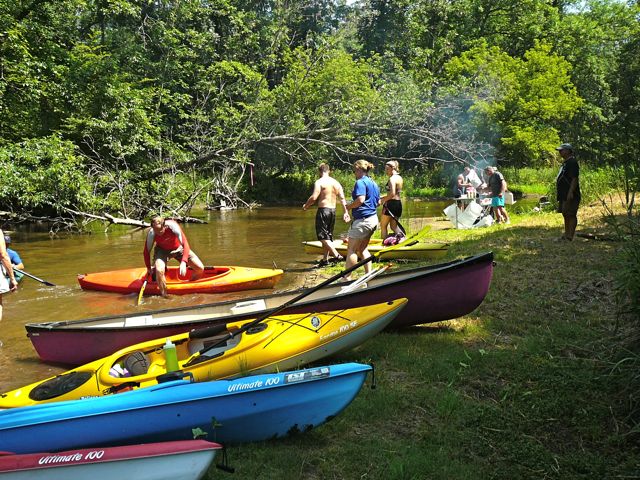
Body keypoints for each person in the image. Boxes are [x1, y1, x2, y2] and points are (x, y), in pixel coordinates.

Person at [143, 216, 205, 297]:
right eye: (156, 231)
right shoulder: (152, 233)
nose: (159, 233)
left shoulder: (173, 226)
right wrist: (148, 268)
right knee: (159, 270)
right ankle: (164, 295)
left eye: (160, 231)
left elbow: (185, 244)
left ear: (164, 226)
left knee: (200, 268)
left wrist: (183, 262)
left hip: (178, 248)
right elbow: (146, 252)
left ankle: (190, 286)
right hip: (162, 250)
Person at [302, 163, 350, 266]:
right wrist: (346, 212)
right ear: (329, 171)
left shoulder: (319, 182)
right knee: (328, 235)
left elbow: (314, 197)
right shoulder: (336, 183)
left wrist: (306, 206)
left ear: (319, 171)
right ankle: (325, 259)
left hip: (323, 210)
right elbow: (342, 198)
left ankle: (337, 255)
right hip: (333, 211)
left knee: (323, 237)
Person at [344, 160, 380, 280]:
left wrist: (348, 206)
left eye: (354, 170)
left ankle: (346, 277)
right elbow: (378, 202)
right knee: (362, 248)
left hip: (363, 221)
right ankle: (368, 274)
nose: (354, 173)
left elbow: (360, 200)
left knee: (352, 250)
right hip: (373, 219)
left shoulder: (360, 182)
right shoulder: (373, 183)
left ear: (359, 169)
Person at [555, 143, 581, 241]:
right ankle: (566, 234)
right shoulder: (565, 162)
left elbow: (574, 179)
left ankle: (570, 236)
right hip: (563, 193)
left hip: (571, 194)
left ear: (568, 151)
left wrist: (571, 192)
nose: (560, 152)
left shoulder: (572, 162)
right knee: (565, 213)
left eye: (562, 150)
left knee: (571, 213)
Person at [379, 160, 404, 239]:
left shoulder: (392, 179)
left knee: (383, 226)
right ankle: (403, 239)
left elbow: (392, 194)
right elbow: (395, 193)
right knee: (393, 226)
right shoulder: (399, 177)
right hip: (398, 204)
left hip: (391, 204)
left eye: (387, 169)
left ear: (393, 168)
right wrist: (382, 197)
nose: (386, 171)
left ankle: (383, 243)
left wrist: (383, 200)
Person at [0, 229, 18, 325]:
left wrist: (13, 267)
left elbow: (21, 266)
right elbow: (3, 255)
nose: (6, 245)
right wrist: (12, 279)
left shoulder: (12, 253)